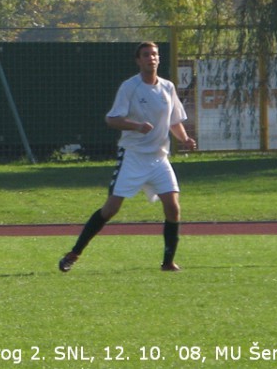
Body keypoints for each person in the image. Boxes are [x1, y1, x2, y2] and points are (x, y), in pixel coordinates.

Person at [59, 41, 196, 273]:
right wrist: (136, 126)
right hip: (133, 156)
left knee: (173, 207)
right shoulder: (130, 87)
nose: (151, 58)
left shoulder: (168, 87)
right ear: (138, 60)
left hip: (159, 158)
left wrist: (184, 139)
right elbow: (112, 119)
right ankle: (74, 253)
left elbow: (174, 121)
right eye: (146, 55)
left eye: (154, 54)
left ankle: (168, 262)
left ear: (159, 59)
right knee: (110, 209)